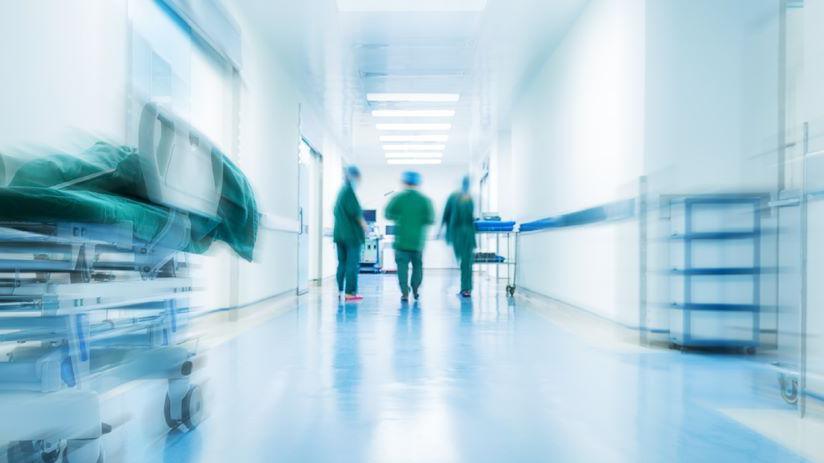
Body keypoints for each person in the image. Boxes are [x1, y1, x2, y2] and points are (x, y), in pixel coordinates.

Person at [385, 171, 435, 302]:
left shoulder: (398, 198)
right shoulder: (424, 200)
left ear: (404, 182)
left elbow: (388, 214)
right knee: (417, 267)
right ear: (418, 182)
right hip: (417, 242)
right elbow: (430, 219)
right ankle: (416, 289)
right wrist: (418, 222)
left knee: (402, 268)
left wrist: (401, 218)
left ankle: (405, 293)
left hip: (401, 241)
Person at [333, 165, 367, 302]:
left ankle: (340, 290)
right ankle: (350, 293)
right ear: (353, 176)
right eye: (358, 178)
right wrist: (365, 226)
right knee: (352, 264)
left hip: (339, 235)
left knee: (342, 263)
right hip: (351, 236)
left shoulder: (341, 192)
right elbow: (356, 213)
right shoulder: (349, 192)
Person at [441, 176, 477, 297]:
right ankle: (466, 288)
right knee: (466, 262)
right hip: (466, 234)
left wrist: (441, 229)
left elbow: (446, 215)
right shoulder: (466, 199)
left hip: (460, 234)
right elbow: (447, 214)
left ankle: (465, 289)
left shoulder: (457, 197)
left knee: (464, 262)